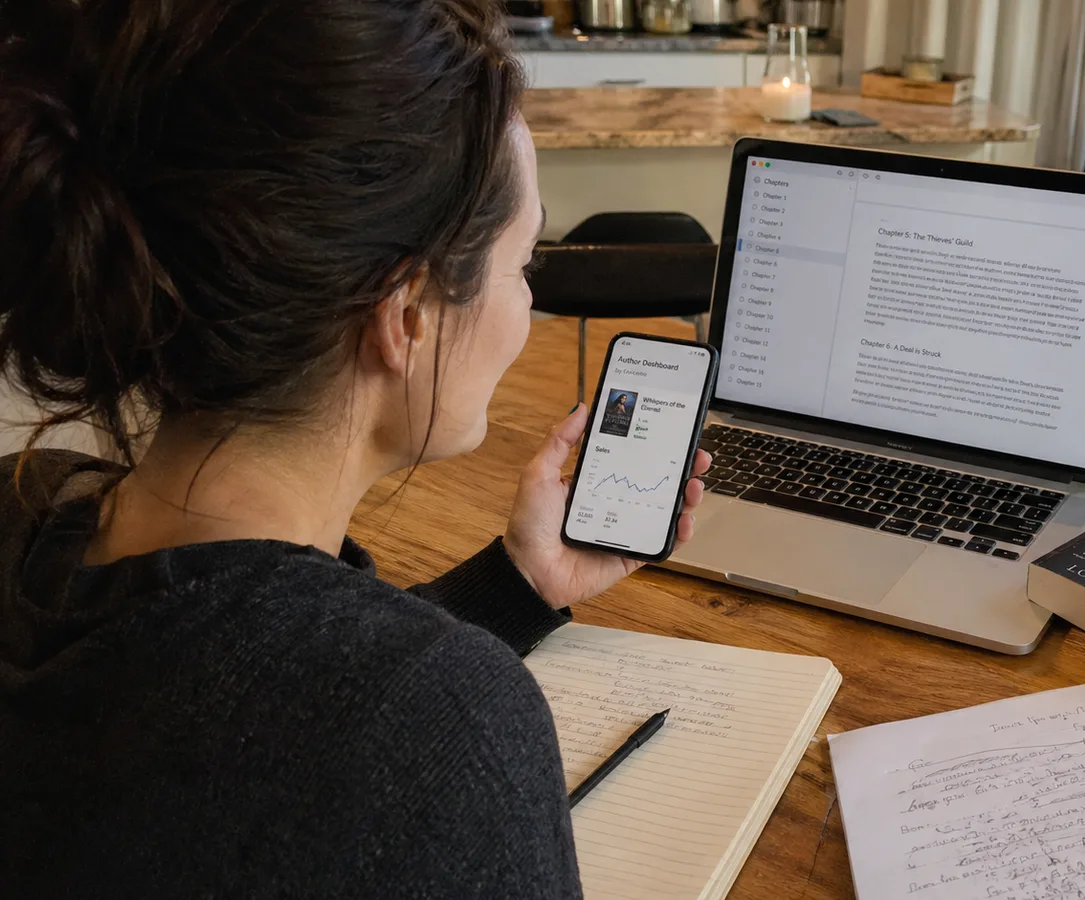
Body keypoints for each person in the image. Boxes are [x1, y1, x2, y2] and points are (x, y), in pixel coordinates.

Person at [0, 1, 710, 896]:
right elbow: (330, 723)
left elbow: (241, 683)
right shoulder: (446, 728)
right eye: (522, 266)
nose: (527, 306)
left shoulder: (27, 511)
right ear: (408, 316)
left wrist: (516, 588)